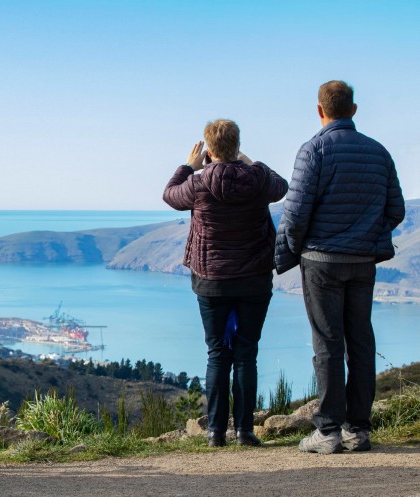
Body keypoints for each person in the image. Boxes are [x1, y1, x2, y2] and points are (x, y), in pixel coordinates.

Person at [275, 80, 404, 454]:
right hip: (362, 262)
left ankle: (328, 431)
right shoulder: (379, 152)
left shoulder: (313, 150)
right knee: (360, 340)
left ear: (320, 110)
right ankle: (358, 430)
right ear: (354, 110)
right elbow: (395, 210)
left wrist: (297, 250)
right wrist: (368, 237)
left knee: (327, 343)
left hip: (321, 262)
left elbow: (295, 214)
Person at [163, 119, 288, 447]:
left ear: (208, 149)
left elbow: (169, 195)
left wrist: (187, 167)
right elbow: (282, 185)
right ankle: (245, 431)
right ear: (237, 145)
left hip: (211, 281)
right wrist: (247, 160)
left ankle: (216, 432)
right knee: (246, 353)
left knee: (217, 353)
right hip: (254, 280)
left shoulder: (198, 183)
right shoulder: (258, 180)